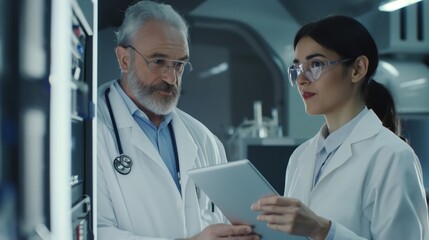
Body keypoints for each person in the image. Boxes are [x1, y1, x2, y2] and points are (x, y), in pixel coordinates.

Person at [251, 15, 429, 239]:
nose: (301, 79)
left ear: (357, 69)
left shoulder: (393, 156)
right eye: (297, 68)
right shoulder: (300, 156)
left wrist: (323, 230)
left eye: (316, 64)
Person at [97, 1, 259, 239]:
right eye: (158, 61)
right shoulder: (91, 130)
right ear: (124, 59)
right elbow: (93, 231)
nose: (171, 78)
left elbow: (225, 224)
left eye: (179, 64)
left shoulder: (204, 140)